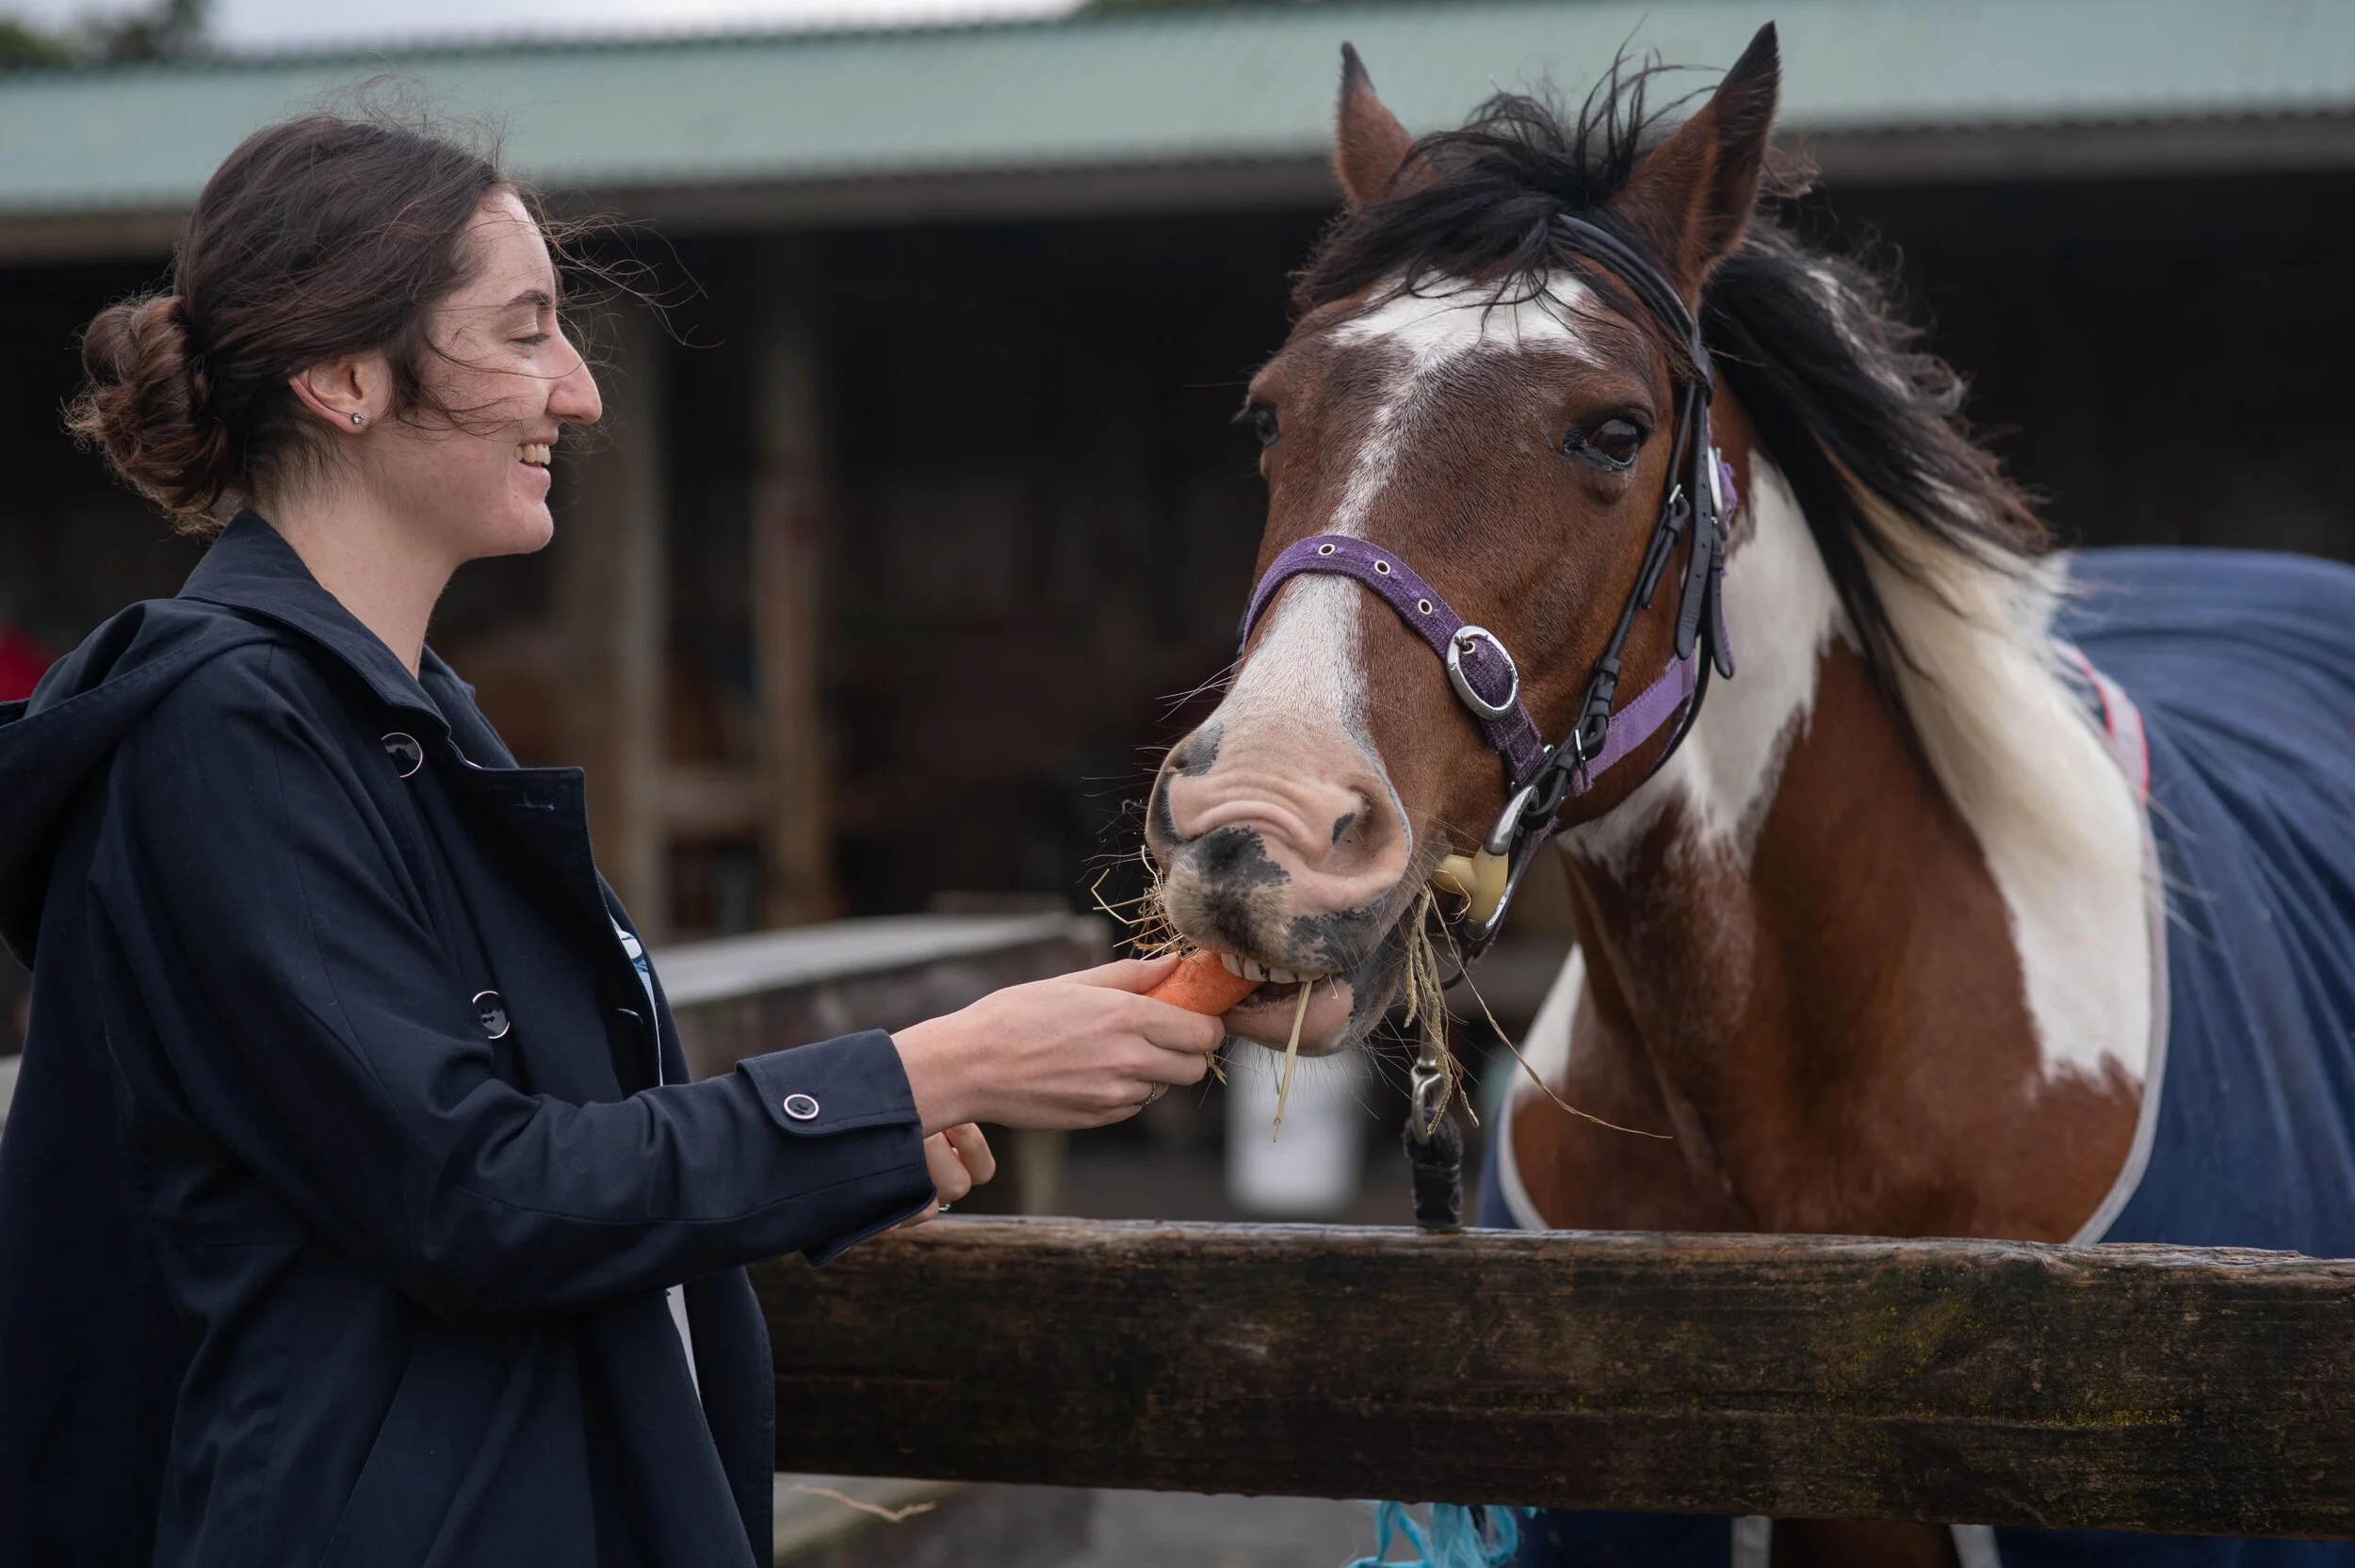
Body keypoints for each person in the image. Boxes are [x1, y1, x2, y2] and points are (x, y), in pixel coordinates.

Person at [0, 113, 1226, 1568]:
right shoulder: (222, 738)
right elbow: (477, 1196)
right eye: (524, 334)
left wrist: (871, 1134)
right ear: (341, 380)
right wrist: (933, 1067)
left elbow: (539, 1147)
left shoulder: (400, 712)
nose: (576, 393)